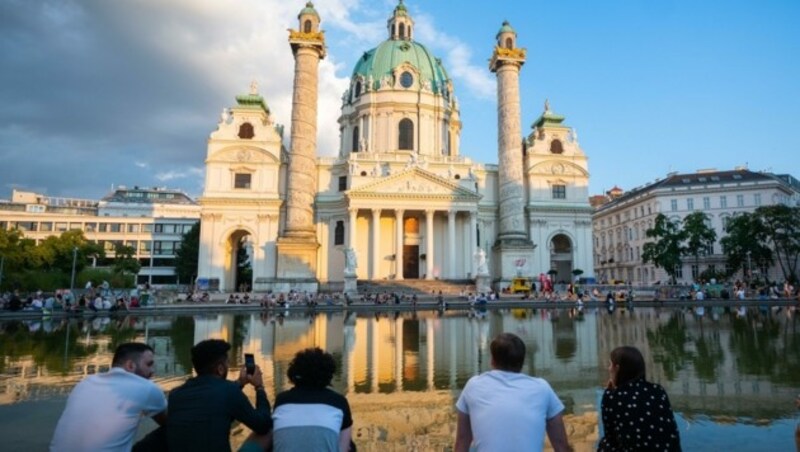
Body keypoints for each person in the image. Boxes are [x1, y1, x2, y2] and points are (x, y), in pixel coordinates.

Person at [455, 333, 571, 452]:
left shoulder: (473, 386)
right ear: (522, 362)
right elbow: (561, 445)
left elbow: (462, 441)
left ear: (492, 361)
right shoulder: (542, 388)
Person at [50, 342, 167, 451]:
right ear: (130, 365)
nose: (152, 371)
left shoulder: (86, 382)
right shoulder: (147, 388)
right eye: (149, 364)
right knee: (177, 427)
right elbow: (169, 422)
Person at [167, 339, 272, 452]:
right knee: (269, 431)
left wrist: (240, 382)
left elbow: (213, 404)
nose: (228, 365)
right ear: (220, 369)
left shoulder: (175, 395)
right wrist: (259, 387)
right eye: (227, 363)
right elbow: (263, 425)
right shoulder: (228, 391)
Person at [598, 346, 681, 451]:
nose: (608, 368)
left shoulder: (612, 396)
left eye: (610, 364)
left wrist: (611, 391)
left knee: (605, 445)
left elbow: (610, 437)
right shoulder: (658, 391)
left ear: (617, 368)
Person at [271, 348, 353, 452]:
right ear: (328, 375)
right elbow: (344, 448)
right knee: (349, 443)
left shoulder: (282, 400)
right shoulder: (339, 402)